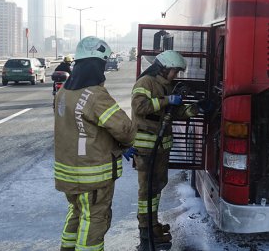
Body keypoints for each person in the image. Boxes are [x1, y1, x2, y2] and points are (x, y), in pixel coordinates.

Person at [54, 36, 137, 251]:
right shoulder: (96, 95)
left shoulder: (63, 92)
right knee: (95, 220)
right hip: (93, 175)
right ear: (97, 65)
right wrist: (125, 144)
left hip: (67, 173)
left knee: (78, 213)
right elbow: (124, 129)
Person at [130, 50, 199, 248]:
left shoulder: (167, 86)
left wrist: (197, 108)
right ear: (164, 67)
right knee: (147, 191)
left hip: (160, 148)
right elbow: (139, 107)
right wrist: (167, 100)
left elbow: (175, 112)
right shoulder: (146, 83)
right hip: (146, 148)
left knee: (157, 186)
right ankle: (146, 232)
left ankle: (152, 224)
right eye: (174, 71)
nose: (176, 75)